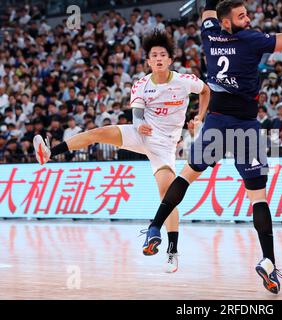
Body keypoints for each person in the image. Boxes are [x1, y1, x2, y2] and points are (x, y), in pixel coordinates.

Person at [142, 0, 282, 294]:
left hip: (215, 123)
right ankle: (268, 261)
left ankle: (154, 228)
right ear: (228, 22)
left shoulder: (210, 33)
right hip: (244, 126)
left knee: (187, 176)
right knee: (258, 198)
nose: (249, 18)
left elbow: (208, 9)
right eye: (242, 15)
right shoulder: (251, 40)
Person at [32, 30, 211, 274]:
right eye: (153, 55)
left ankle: (171, 252)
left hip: (164, 146)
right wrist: (139, 125)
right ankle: (49, 153)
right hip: (141, 134)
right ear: (148, 61)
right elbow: (137, 115)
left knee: (167, 195)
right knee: (99, 132)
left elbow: (205, 91)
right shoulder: (141, 84)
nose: (158, 58)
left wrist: (200, 116)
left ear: (170, 60)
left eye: (163, 55)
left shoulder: (184, 81)